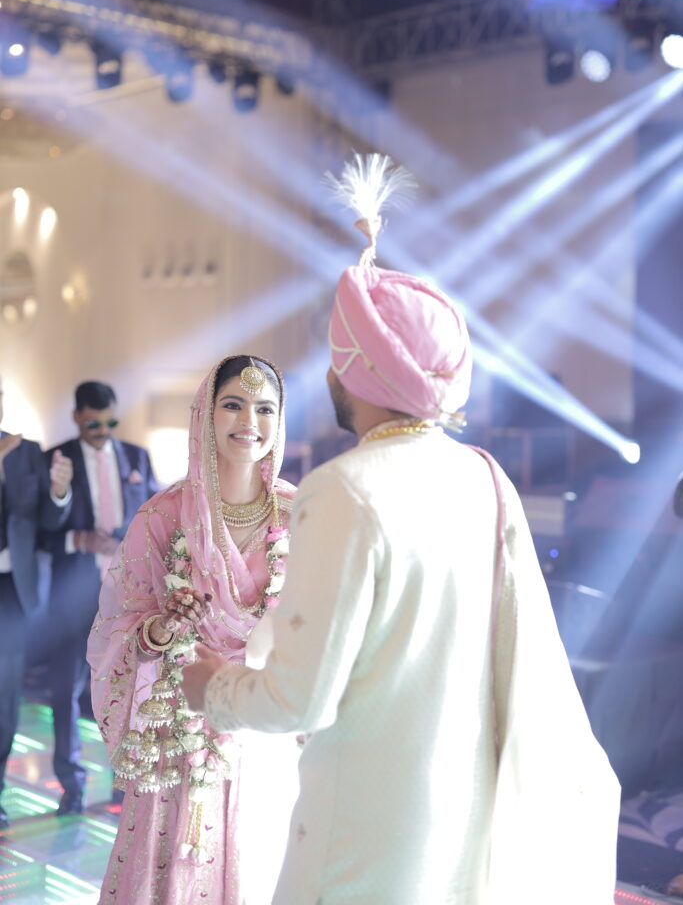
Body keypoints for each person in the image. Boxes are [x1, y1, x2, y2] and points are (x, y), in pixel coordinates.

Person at [182, 154, 621, 905]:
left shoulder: (343, 489)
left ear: (356, 369)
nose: (327, 373)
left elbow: (299, 701)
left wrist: (210, 687)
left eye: (334, 355)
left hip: (360, 837)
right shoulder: (484, 477)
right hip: (460, 818)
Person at [87, 355, 297, 904]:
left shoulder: (300, 514)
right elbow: (121, 624)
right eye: (233, 405)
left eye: (265, 409)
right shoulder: (162, 516)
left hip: (265, 724)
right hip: (181, 727)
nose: (249, 421)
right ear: (206, 413)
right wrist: (162, 629)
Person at [43, 380, 159, 815]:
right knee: (66, 691)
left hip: (127, 591)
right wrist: (80, 539)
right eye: (93, 423)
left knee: (126, 687)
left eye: (110, 422)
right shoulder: (55, 459)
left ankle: (122, 780)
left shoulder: (136, 457)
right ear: (77, 417)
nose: (102, 431)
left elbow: (155, 516)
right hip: (72, 592)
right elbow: (37, 530)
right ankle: (71, 784)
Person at [0, 376, 73, 828]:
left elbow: (48, 520)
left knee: (5, 698)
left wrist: (59, 491)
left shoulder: (26, 451)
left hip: (12, 588)